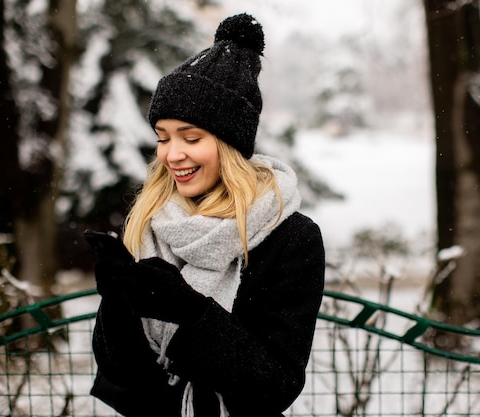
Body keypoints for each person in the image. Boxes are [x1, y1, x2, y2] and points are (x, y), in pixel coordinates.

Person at [84, 13, 325, 417]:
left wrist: (192, 313)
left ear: (230, 145)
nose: (171, 154)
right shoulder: (147, 222)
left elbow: (274, 386)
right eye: (162, 138)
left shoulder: (288, 236)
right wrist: (117, 301)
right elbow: (121, 373)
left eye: (190, 137)